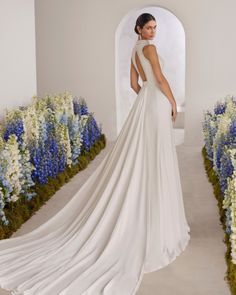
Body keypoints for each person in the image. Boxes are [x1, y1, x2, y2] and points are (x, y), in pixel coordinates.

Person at [0, 12, 190, 295]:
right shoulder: (149, 48)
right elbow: (160, 78)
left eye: (154, 27)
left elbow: (133, 85)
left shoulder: (134, 50)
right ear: (138, 28)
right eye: (148, 27)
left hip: (144, 104)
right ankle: (155, 217)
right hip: (157, 103)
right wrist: (172, 102)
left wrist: (146, 99)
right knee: (155, 155)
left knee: (141, 154)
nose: (153, 31)